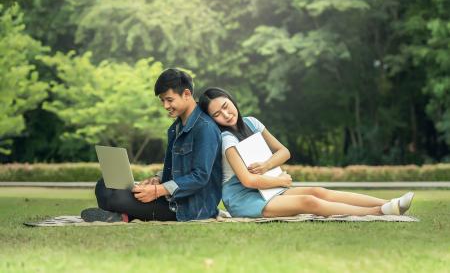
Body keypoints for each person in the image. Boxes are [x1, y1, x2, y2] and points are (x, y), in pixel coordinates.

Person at [198, 87, 414, 218]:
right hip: (243, 198)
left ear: (232, 100)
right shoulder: (226, 139)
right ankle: (380, 212)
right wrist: (280, 182)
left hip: (266, 185)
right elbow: (246, 180)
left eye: (226, 106)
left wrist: (266, 167)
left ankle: (387, 202)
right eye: (217, 114)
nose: (226, 114)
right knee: (309, 202)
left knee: (318, 191)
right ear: (212, 119)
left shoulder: (252, 123)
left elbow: (284, 152)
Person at [81, 69, 222, 222]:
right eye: (162, 101)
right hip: (168, 198)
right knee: (104, 185)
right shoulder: (175, 128)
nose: (165, 106)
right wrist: (157, 179)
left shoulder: (205, 127)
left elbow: (200, 176)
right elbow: (172, 167)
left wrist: (157, 191)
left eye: (169, 100)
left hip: (190, 207)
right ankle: (122, 215)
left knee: (116, 197)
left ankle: (121, 214)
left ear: (186, 94)